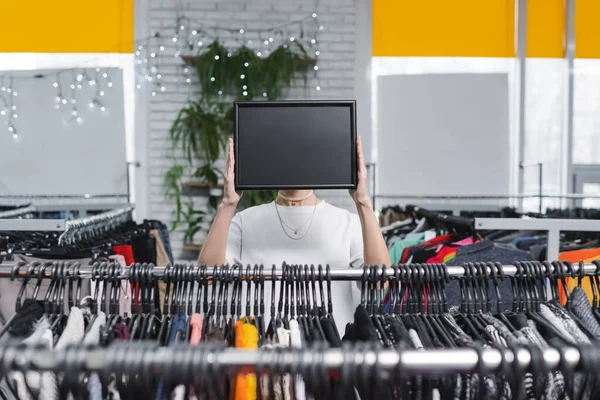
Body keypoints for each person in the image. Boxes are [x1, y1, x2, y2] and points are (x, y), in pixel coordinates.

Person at [199, 136, 391, 332]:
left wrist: (364, 202)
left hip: (331, 354)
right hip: (261, 352)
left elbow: (380, 281)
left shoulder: (347, 222)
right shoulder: (245, 221)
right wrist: (228, 203)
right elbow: (207, 275)